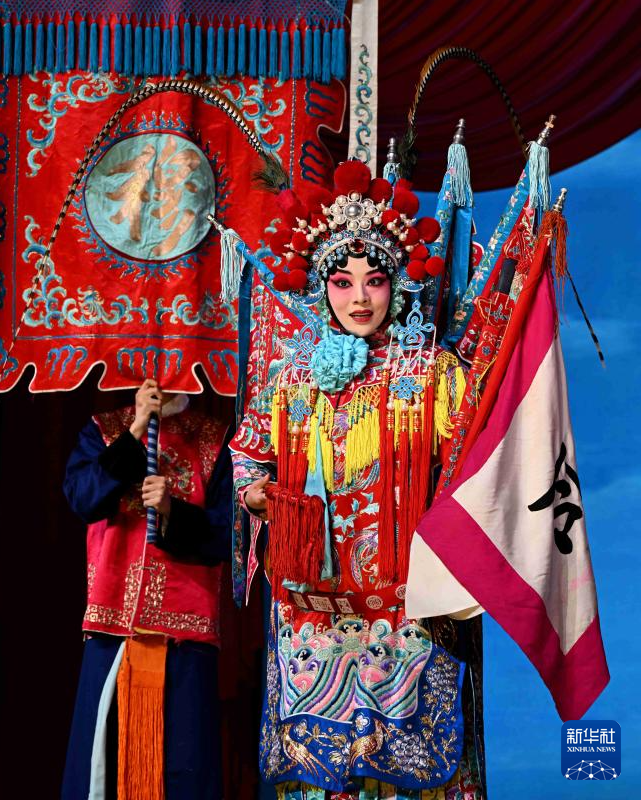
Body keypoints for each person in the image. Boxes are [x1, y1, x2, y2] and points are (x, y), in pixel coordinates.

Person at [230, 160, 485, 800]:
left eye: (375, 281)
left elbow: (472, 467)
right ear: (322, 288)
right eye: (343, 283)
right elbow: (248, 454)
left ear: (397, 284)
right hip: (310, 609)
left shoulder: (431, 373)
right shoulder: (291, 378)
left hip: (405, 604)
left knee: (411, 771)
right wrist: (257, 495)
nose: (361, 299)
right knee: (322, 776)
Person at [61, 379, 231, 800]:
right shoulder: (103, 429)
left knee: (183, 770)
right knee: (101, 767)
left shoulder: (216, 439)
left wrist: (173, 511)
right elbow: (83, 499)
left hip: (185, 635)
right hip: (112, 629)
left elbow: (229, 536)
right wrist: (135, 429)